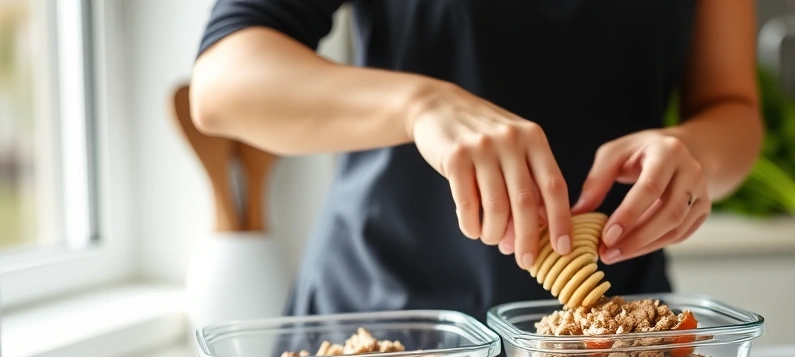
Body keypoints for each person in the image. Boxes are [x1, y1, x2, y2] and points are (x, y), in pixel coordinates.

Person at [191, 0, 762, 326]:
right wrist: (420, 105)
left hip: (608, 334)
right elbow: (222, 83)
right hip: (381, 331)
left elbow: (730, 109)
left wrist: (696, 157)